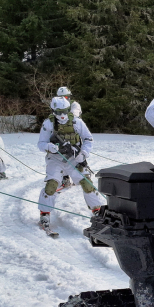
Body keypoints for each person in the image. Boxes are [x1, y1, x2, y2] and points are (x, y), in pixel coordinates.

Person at [35, 94, 104, 232]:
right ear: (54, 112)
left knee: (87, 183)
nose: (62, 115)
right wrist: (49, 147)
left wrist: (83, 154)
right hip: (55, 158)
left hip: (74, 157)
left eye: (65, 112)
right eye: (59, 113)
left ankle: (97, 210)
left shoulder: (77, 122)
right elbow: (41, 143)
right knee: (52, 184)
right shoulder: (48, 123)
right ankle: (44, 214)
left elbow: (88, 139)